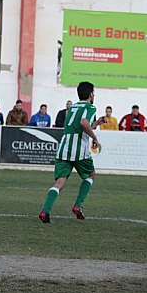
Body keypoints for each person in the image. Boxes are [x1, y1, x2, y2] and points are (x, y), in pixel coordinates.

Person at [39, 82, 106, 224]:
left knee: (60, 181)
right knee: (90, 175)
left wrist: (97, 123)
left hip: (64, 148)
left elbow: (80, 124)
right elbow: (83, 123)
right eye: (93, 93)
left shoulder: (72, 107)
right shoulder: (91, 107)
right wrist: (95, 138)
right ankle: (78, 205)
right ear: (90, 94)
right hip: (79, 149)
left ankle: (45, 211)